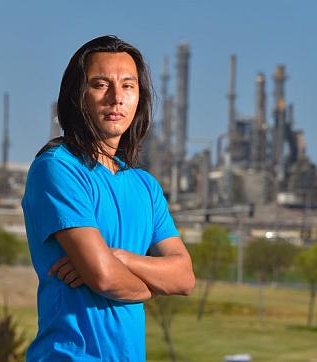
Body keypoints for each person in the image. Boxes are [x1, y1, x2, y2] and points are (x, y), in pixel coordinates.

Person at [22, 35, 195, 362]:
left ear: (139, 98)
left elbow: (184, 277)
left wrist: (120, 257)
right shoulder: (57, 169)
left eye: (128, 86)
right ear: (77, 97)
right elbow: (103, 277)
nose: (116, 97)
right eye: (100, 84)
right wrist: (156, 283)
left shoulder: (145, 186)